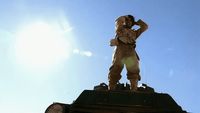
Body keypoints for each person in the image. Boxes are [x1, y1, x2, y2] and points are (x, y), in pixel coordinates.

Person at [108, 15, 148, 91]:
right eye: (127, 20)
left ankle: (133, 90)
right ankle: (111, 89)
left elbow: (145, 27)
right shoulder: (120, 29)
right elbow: (118, 21)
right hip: (120, 48)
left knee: (134, 70)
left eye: (130, 21)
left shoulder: (135, 33)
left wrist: (136, 23)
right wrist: (125, 17)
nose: (128, 22)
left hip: (130, 50)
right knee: (116, 67)